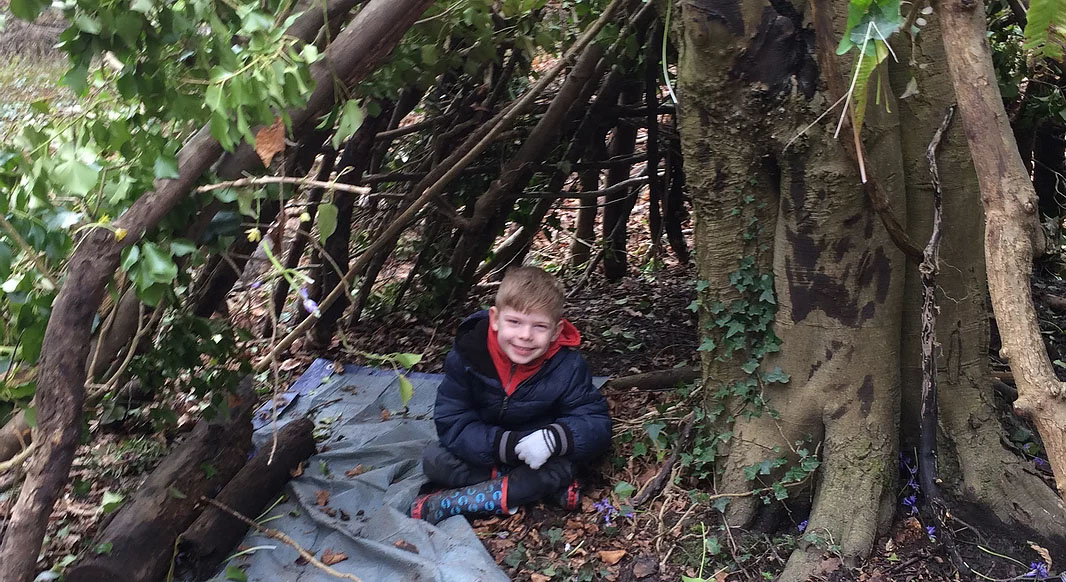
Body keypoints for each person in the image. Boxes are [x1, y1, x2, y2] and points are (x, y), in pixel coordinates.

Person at [410, 267, 611, 525]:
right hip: (490, 450)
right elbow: (453, 420)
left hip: (540, 453)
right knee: (435, 460)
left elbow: (595, 422)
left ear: (556, 331)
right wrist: (504, 446)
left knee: (564, 467)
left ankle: (455, 502)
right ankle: (532, 489)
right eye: (514, 322)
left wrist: (554, 439)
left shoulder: (568, 367)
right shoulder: (468, 355)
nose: (525, 336)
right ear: (495, 319)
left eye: (539, 326)